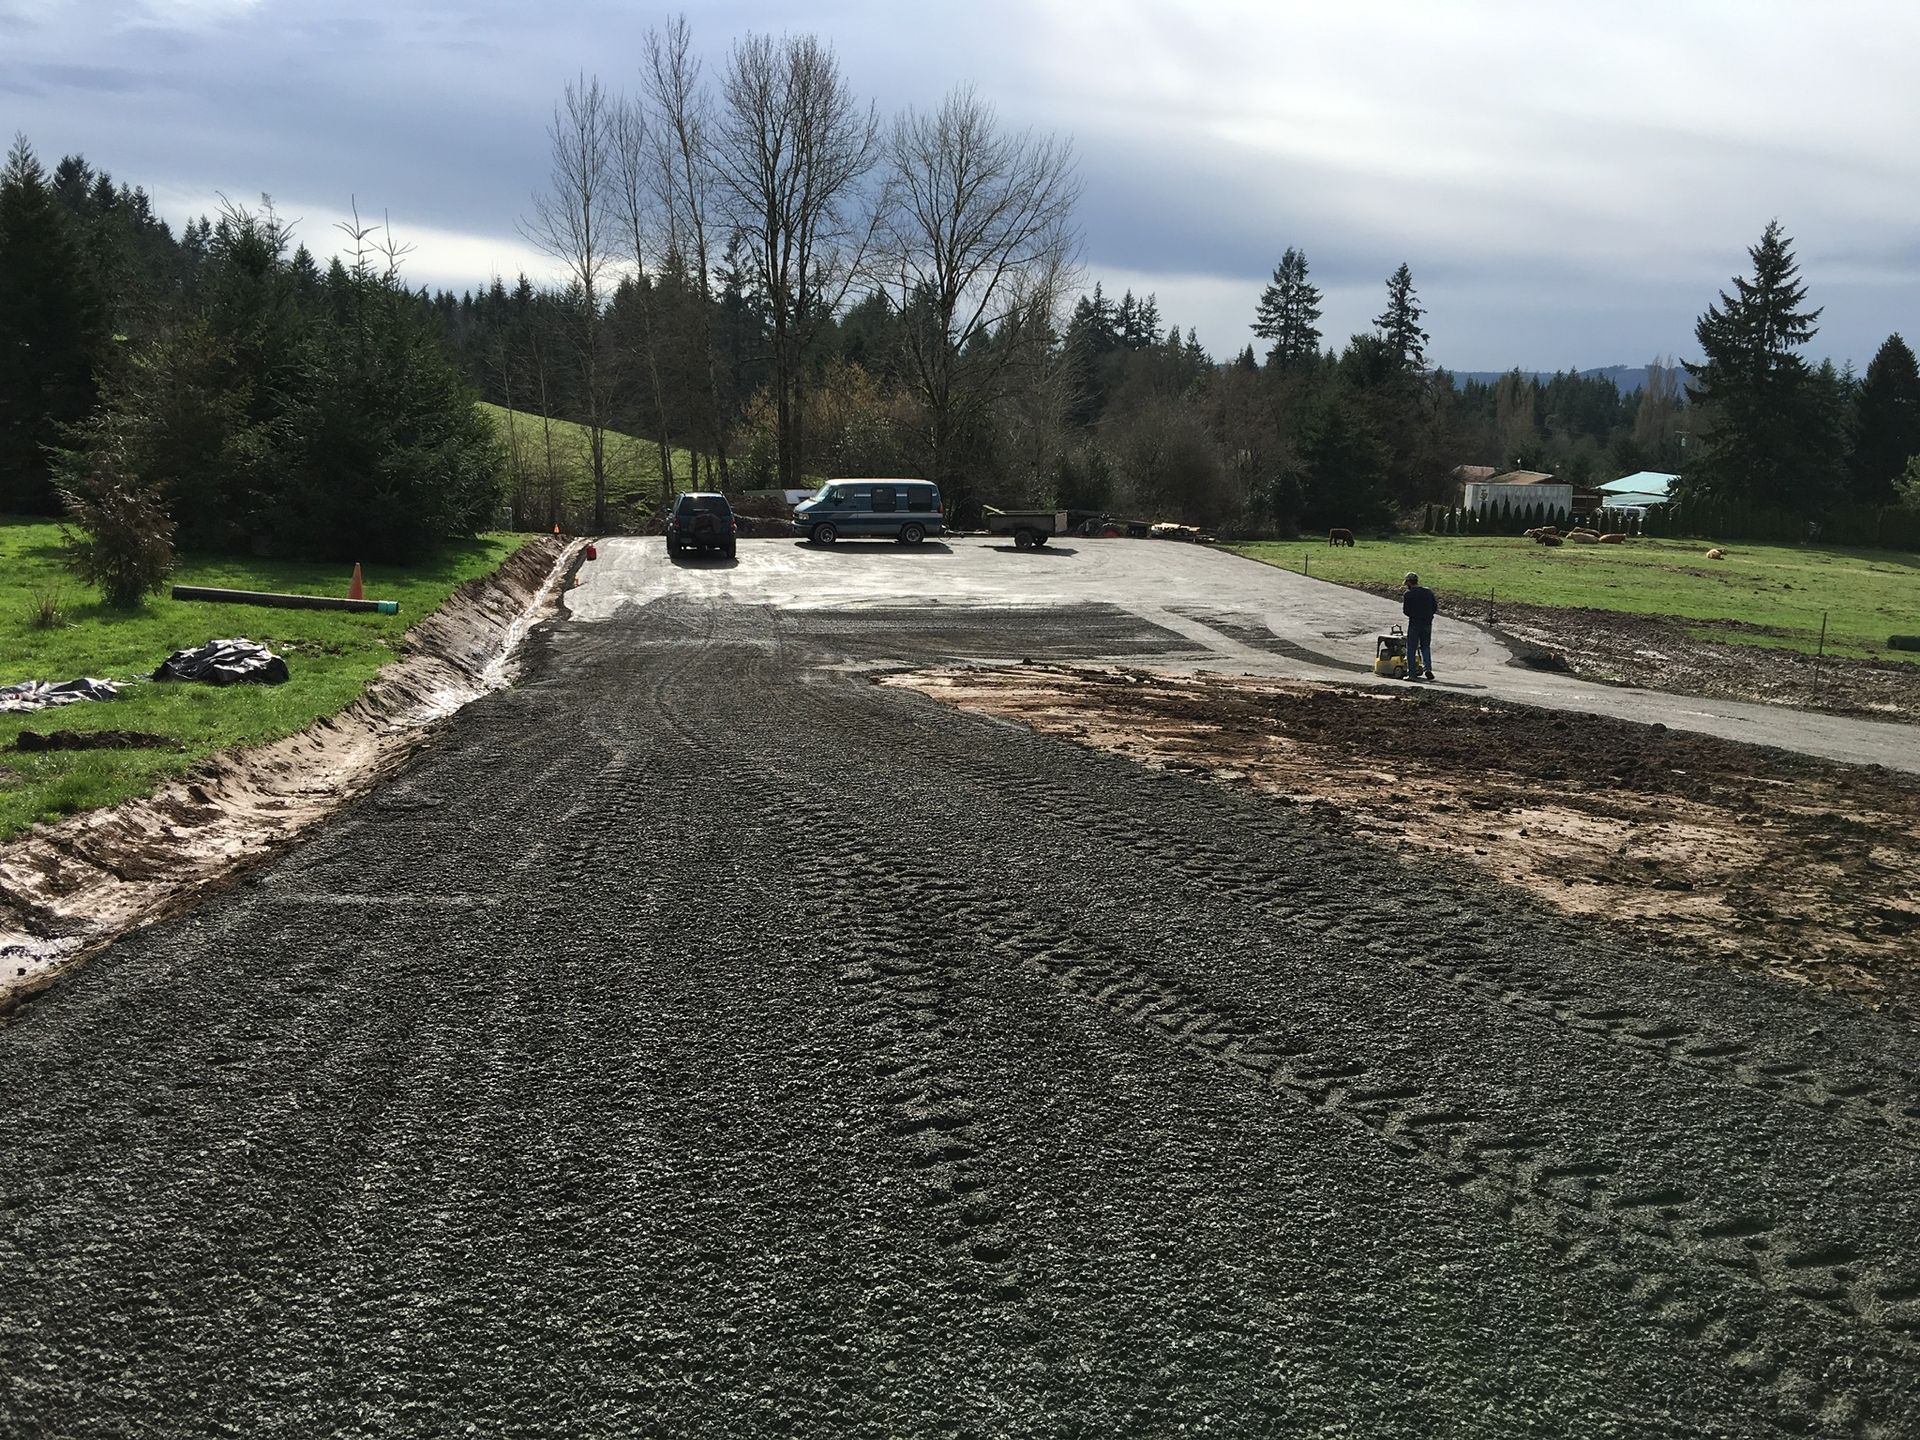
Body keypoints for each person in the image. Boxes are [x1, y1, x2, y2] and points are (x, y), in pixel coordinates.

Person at [1401, 571, 1437, 680]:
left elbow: (1406, 611)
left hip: (1415, 623)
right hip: (1427, 623)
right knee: (1425, 647)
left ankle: (1412, 673)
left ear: (1408, 582)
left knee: (1411, 648)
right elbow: (1435, 607)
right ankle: (1428, 669)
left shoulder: (1408, 594)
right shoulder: (1428, 592)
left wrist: (1414, 614)